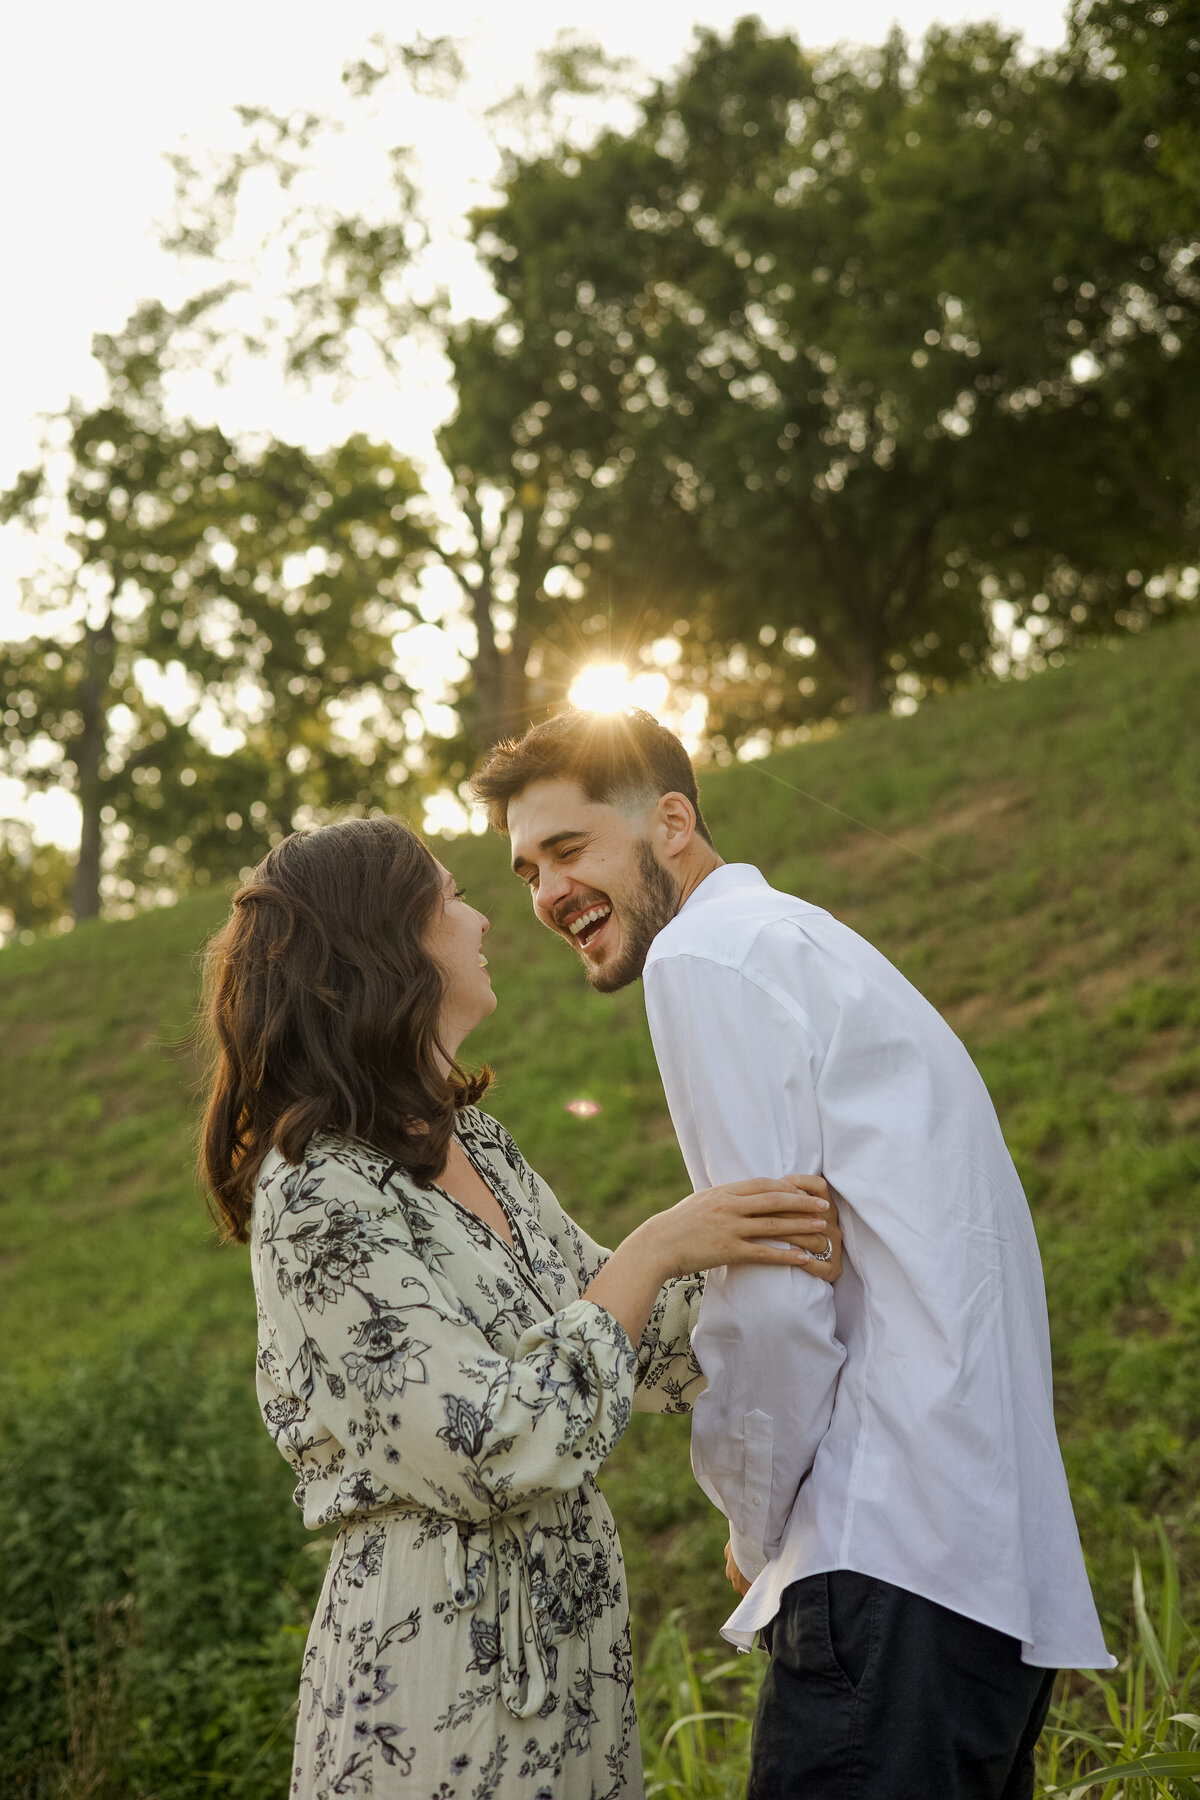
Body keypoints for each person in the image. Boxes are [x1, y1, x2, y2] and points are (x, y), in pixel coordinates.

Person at [472, 707, 1116, 1800]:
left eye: (569, 850)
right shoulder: (805, 944)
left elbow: (774, 1289)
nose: (545, 894)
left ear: (671, 822)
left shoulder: (707, 959)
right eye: (527, 869)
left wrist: (755, 1518)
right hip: (991, 1573)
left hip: (883, 1562)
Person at [198, 815, 843, 1800]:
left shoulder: (476, 1145)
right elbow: (489, 1446)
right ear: (392, 943)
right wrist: (660, 1243)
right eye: (452, 896)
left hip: (573, 1663)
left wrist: (788, 1260)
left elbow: (643, 1343)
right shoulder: (315, 1192)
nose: (484, 918)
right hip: (439, 1673)